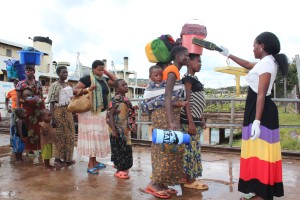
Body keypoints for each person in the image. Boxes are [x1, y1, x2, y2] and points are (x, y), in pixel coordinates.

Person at [219, 32, 287, 200]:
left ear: (262, 46)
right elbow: (248, 64)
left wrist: (257, 121)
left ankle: (262, 195)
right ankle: (259, 192)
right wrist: (228, 54)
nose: (253, 49)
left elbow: (261, 94)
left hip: (261, 113)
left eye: (254, 45)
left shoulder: (267, 64)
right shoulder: (266, 62)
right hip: (258, 111)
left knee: (262, 154)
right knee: (258, 154)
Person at [145, 46, 189, 199]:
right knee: (164, 149)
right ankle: (154, 184)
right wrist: (171, 121)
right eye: (186, 55)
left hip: (167, 115)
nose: (188, 58)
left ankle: (161, 182)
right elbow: (168, 96)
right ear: (178, 56)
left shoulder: (173, 70)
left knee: (167, 149)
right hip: (165, 116)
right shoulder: (172, 70)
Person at [74, 60, 117, 174]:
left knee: (97, 137)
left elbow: (117, 81)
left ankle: (96, 161)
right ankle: (90, 164)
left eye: (102, 69)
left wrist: (107, 72)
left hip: (100, 113)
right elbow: (75, 91)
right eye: (99, 69)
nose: (101, 72)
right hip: (90, 114)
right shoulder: (87, 79)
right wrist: (88, 89)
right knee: (92, 138)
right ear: (93, 69)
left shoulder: (103, 79)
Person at [180, 54, 208, 190]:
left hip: (195, 120)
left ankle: (186, 177)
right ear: (189, 62)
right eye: (198, 61)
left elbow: (197, 101)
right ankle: (190, 180)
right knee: (191, 150)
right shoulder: (188, 79)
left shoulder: (194, 78)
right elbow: (187, 101)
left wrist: (201, 118)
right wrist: (191, 123)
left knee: (193, 148)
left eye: (201, 61)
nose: (200, 64)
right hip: (188, 122)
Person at [107, 79, 137, 179]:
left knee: (126, 149)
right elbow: (110, 115)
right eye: (123, 85)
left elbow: (127, 113)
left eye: (126, 84)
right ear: (117, 88)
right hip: (117, 130)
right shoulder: (116, 100)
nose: (126, 86)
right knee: (119, 149)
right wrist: (114, 131)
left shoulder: (125, 99)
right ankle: (119, 170)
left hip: (125, 130)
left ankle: (123, 167)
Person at [48, 66, 76, 170]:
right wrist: (52, 118)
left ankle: (68, 158)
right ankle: (58, 160)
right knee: (59, 136)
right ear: (58, 73)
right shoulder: (55, 85)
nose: (66, 74)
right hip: (58, 113)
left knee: (69, 136)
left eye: (66, 72)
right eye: (63, 72)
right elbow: (51, 102)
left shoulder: (68, 85)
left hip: (68, 113)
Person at [16, 65, 45, 163]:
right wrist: (18, 110)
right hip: (27, 111)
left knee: (37, 130)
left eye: (30, 70)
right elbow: (18, 98)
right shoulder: (21, 83)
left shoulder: (38, 83)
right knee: (28, 130)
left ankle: (38, 150)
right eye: (26, 70)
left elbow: (41, 96)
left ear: (34, 71)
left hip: (37, 111)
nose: (28, 72)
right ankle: (29, 151)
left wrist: (44, 110)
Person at [5, 79, 19, 147]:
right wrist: (7, 107)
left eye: (17, 83)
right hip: (14, 110)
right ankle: (12, 141)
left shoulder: (23, 92)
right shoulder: (11, 92)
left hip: (21, 110)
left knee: (22, 126)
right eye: (15, 83)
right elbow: (7, 99)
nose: (16, 84)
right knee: (12, 126)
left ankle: (21, 140)